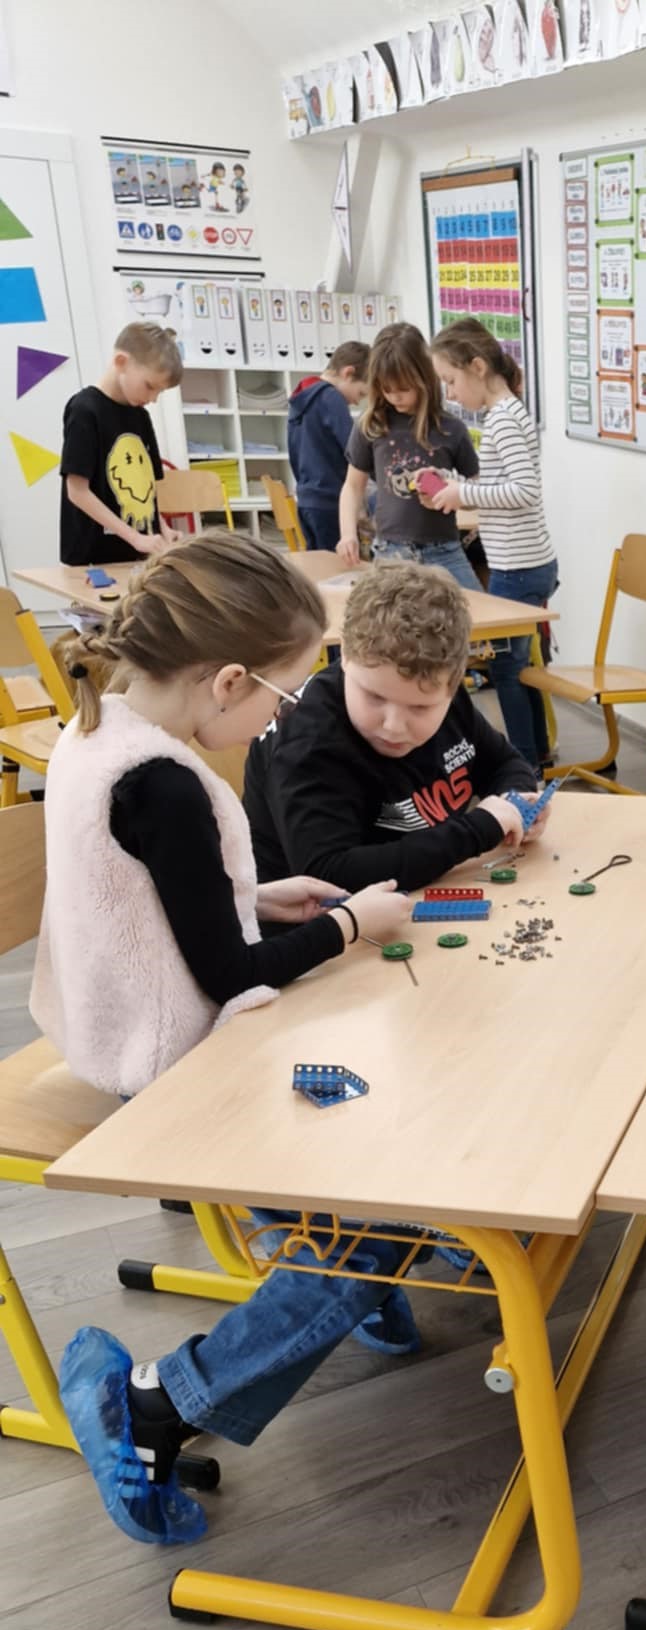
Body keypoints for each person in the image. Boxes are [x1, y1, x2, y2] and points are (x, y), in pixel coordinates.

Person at [30, 531, 420, 1547]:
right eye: (281, 698)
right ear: (230, 681)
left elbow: (151, 905)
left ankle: (351, 1275)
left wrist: (255, 894)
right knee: (384, 1212)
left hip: (116, 1031)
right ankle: (155, 1405)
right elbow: (230, 975)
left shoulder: (94, 729)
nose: (279, 720)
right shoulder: (165, 783)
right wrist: (349, 925)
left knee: (379, 1182)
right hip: (173, 1071)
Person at [244, 560, 542, 894]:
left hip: (422, 890)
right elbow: (328, 875)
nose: (393, 726)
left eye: (420, 708)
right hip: (319, 917)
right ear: (345, 656)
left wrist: (513, 804)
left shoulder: (443, 689)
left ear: (454, 681)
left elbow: (505, 763)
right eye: (374, 697)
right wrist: (479, 829)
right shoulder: (307, 742)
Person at [427, 319, 557, 767]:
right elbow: (502, 485)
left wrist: (463, 492)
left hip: (519, 567)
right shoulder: (505, 413)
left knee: (506, 667)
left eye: (451, 380)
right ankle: (537, 753)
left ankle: (525, 763)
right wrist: (454, 483)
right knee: (518, 667)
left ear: (478, 367)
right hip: (521, 562)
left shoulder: (502, 418)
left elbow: (524, 490)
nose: (450, 394)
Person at [339, 321, 480, 591]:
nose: (395, 397)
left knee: (482, 611)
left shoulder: (451, 429)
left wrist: (452, 495)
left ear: (423, 378)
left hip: (444, 551)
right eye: (386, 389)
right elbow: (352, 486)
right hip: (391, 552)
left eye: (403, 388)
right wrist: (348, 534)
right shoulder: (371, 425)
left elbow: (476, 489)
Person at [60, 322, 182, 566]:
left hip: (138, 555)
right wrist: (135, 537)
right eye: (149, 386)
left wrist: (163, 529)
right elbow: (77, 491)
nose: (153, 399)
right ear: (121, 362)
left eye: (159, 392)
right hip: (94, 557)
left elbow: (147, 492)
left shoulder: (141, 417)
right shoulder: (85, 410)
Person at [287, 340, 369, 551]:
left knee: (321, 563)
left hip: (307, 499)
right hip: (331, 501)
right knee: (340, 565)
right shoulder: (331, 398)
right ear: (348, 373)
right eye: (361, 393)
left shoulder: (303, 395)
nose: (357, 402)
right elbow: (355, 449)